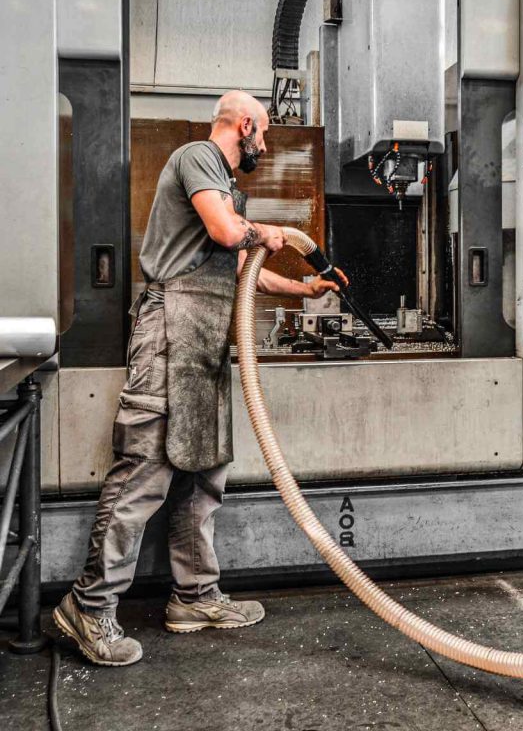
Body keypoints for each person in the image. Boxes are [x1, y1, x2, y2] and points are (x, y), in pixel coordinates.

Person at [53, 90, 347, 667]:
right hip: (169, 335)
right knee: (146, 473)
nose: (264, 143)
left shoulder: (227, 188)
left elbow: (244, 270)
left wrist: (304, 289)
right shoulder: (197, 157)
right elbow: (225, 232)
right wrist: (266, 231)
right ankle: (89, 607)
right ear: (246, 125)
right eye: (263, 131)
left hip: (206, 341)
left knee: (204, 473)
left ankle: (194, 598)